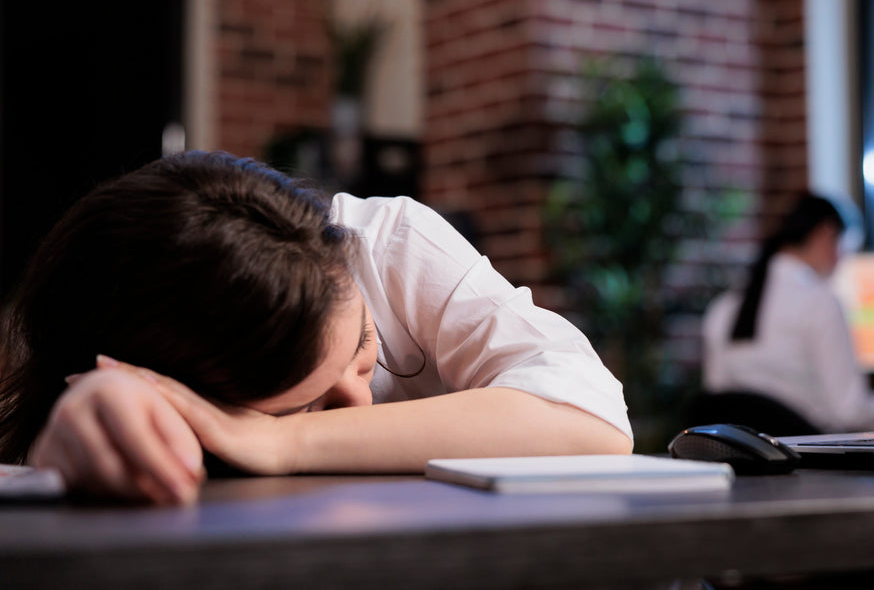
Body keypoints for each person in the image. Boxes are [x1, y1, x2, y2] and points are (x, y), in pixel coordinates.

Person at [0, 151, 632, 504]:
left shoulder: (387, 247)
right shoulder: (149, 362)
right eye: (305, 405)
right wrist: (106, 417)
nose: (357, 402)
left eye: (362, 348)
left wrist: (287, 441)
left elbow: (593, 421)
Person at [701, 193, 874, 434]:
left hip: (746, 466)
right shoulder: (820, 303)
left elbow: (718, 398)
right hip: (812, 464)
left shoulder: (723, 308)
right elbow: (852, 413)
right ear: (826, 234)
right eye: (846, 249)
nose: (841, 262)